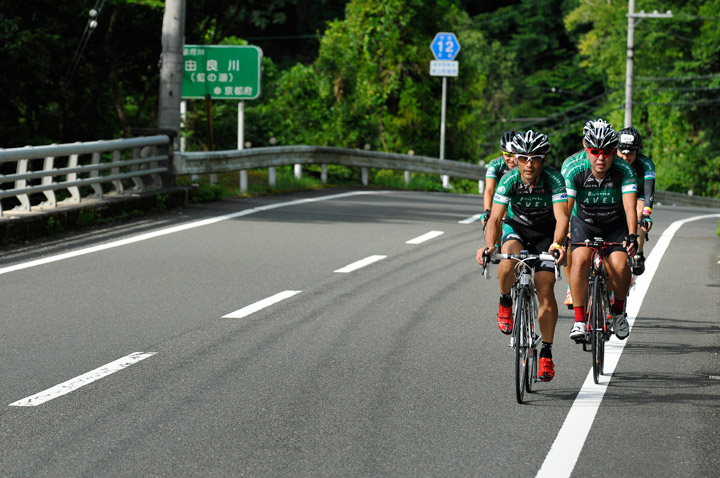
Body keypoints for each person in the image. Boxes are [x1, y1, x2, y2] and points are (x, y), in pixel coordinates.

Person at [477, 130, 569, 381]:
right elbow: (495, 218)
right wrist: (489, 247)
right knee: (507, 262)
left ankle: (546, 354)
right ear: (516, 159)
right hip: (516, 228)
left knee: (545, 287)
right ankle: (505, 300)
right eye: (524, 158)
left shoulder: (554, 180)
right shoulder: (508, 180)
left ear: (543, 160)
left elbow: (562, 217)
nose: (529, 164)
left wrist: (558, 244)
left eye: (535, 158)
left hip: (545, 234)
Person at [563, 126, 638, 342]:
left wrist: (632, 235)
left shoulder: (624, 170)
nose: (601, 158)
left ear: (614, 151)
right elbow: (565, 209)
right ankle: (579, 320)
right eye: (595, 152)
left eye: (607, 152)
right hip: (583, 223)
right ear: (586, 149)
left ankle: (618, 312)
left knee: (621, 265)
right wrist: (562, 237)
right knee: (578, 262)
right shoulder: (572, 167)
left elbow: (630, 207)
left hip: (614, 224)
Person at [560, 118, 613, 308]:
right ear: (585, 141)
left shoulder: (609, 161)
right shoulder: (571, 164)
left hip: (606, 213)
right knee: (567, 247)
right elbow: (564, 202)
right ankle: (570, 287)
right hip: (578, 213)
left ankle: (609, 291)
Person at [616, 126, 655, 275]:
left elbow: (649, 190)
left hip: (638, 195)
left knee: (638, 212)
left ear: (638, 150)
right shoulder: (612, 161)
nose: (625, 158)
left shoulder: (646, 164)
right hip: (619, 193)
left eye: (630, 153)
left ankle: (638, 253)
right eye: (622, 153)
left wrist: (646, 214)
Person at [481, 131, 518, 227]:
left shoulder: (525, 164)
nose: (512, 160)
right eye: (508, 155)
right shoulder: (495, 165)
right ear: (502, 151)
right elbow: (489, 190)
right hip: (503, 201)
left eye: (516, 155)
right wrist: (487, 211)